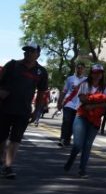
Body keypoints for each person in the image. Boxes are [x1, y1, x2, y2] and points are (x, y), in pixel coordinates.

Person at [0, 42, 49, 179]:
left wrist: (37, 111)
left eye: (31, 51)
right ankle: (1, 159)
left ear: (38, 54)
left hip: (23, 111)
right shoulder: (12, 65)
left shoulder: (41, 72)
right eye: (26, 50)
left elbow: (41, 92)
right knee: (2, 138)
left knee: (16, 139)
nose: (28, 53)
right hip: (5, 108)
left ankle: (8, 167)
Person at [64, 64, 106, 178]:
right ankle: (71, 159)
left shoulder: (104, 88)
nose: (97, 75)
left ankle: (82, 169)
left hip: (95, 119)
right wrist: (97, 100)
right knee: (78, 144)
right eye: (95, 72)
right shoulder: (84, 84)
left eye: (100, 73)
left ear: (102, 74)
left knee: (88, 145)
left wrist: (92, 105)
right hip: (81, 116)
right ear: (91, 73)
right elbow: (82, 98)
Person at [57, 62, 86, 147]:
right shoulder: (70, 78)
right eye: (78, 68)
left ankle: (68, 138)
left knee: (74, 123)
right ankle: (62, 138)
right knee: (66, 121)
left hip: (79, 105)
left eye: (81, 68)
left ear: (84, 69)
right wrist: (59, 102)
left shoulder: (86, 80)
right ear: (75, 69)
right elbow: (64, 91)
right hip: (68, 103)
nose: (79, 69)